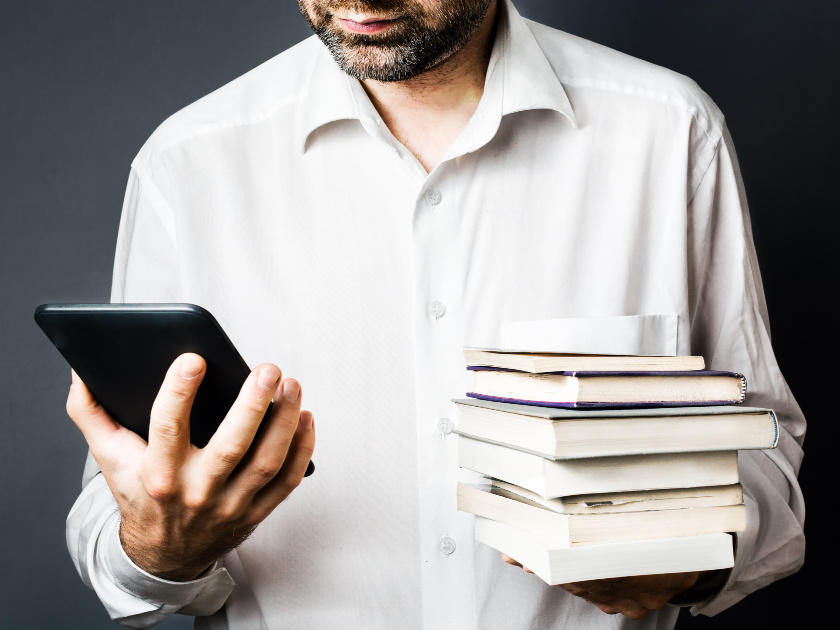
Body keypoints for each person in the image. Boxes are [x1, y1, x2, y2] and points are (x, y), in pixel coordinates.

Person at [64, 0, 806, 628]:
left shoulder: (670, 131)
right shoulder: (187, 163)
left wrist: (695, 566)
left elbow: (766, 452)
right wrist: (159, 548)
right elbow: (121, 512)